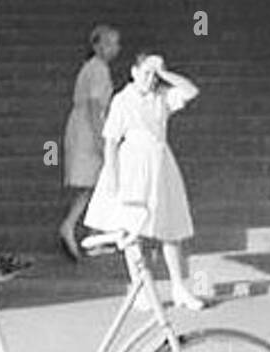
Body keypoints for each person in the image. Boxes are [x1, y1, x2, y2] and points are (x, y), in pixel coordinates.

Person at [83, 54, 206, 311]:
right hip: (132, 165)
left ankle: (179, 287)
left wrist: (165, 73)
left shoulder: (161, 97)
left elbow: (190, 90)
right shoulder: (122, 100)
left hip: (161, 163)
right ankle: (141, 288)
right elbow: (111, 142)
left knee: (170, 227)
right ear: (134, 71)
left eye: (154, 75)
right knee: (131, 229)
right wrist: (113, 178)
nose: (150, 79)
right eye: (146, 73)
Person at [59, 24, 122, 260]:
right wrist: (100, 139)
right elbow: (95, 107)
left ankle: (91, 232)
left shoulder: (93, 68)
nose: (115, 48)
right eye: (110, 43)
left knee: (96, 182)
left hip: (83, 124)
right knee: (96, 181)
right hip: (88, 127)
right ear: (97, 45)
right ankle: (74, 226)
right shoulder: (97, 69)